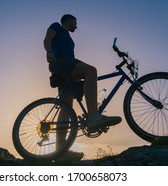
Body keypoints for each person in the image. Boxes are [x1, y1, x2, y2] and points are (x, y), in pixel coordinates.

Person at [43, 14, 122, 161]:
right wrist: (49, 51)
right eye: (75, 22)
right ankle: (93, 116)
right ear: (69, 20)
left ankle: (60, 152)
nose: (76, 26)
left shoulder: (69, 38)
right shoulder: (57, 26)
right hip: (61, 62)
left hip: (67, 68)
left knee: (66, 107)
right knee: (91, 71)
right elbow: (47, 39)